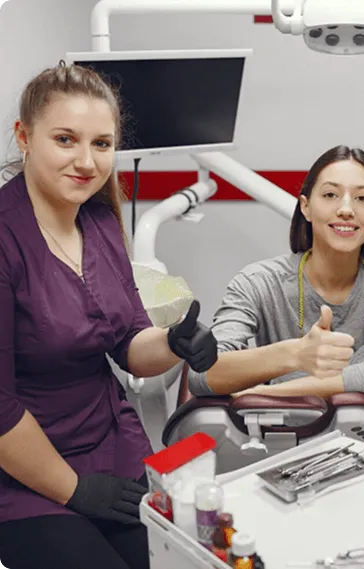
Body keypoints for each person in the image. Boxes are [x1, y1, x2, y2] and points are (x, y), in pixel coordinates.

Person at [0, 62, 218, 569]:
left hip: (109, 447)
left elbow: (127, 342)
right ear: (24, 136)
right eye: (65, 139)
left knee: (179, 561)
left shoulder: (97, 220)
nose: (86, 160)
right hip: (23, 471)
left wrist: (172, 342)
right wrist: (74, 490)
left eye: (102, 144)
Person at [188, 144, 364, 486]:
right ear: (305, 206)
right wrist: (294, 354)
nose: (347, 209)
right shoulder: (258, 282)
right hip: (284, 424)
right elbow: (203, 375)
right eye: (331, 195)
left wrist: (270, 391)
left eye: (363, 199)